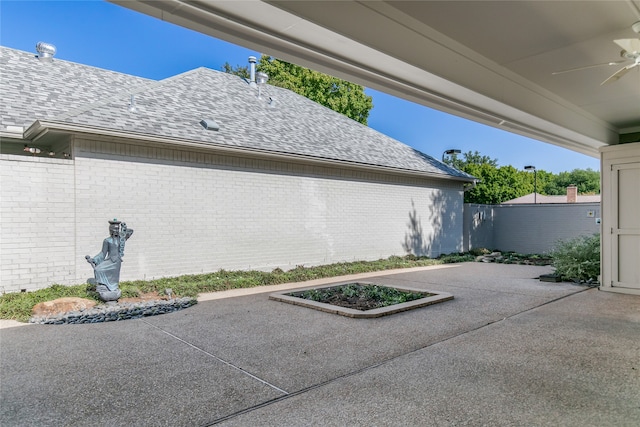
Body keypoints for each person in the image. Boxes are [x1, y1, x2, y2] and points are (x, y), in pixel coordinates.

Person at [86, 219, 133, 301]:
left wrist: (123, 228)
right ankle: (103, 287)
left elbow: (130, 231)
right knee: (97, 269)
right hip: (110, 260)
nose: (114, 231)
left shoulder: (121, 239)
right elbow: (102, 253)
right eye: (112, 229)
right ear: (110, 230)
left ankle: (113, 288)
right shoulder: (107, 240)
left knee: (114, 277)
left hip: (117, 261)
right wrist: (94, 260)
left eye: (116, 229)